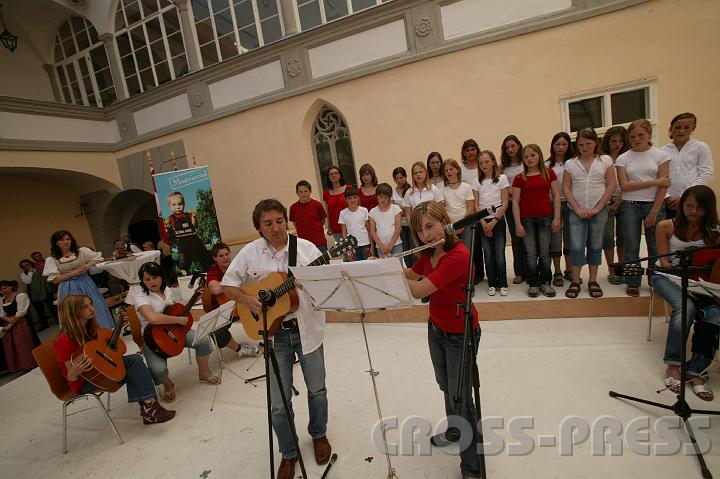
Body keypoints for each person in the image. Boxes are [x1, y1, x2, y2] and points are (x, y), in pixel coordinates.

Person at [221, 199, 332, 479]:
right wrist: (249, 300)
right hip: (273, 335)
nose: (276, 228)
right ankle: (288, 452)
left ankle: (318, 434)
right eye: (268, 223)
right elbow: (228, 284)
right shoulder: (249, 253)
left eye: (280, 221)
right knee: (279, 402)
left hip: (306, 329)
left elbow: (327, 286)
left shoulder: (306, 250)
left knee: (317, 389)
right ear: (259, 227)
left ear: (287, 221)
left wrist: (312, 285)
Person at [403, 201, 483, 479]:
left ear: (444, 222)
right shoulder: (430, 251)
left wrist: (385, 279)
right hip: (436, 328)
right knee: (446, 387)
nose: (426, 234)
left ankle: (472, 467)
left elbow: (419, 289)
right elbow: (411, 274)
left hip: (461, 334)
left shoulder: (458, 255)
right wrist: (381, 269)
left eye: (430, 226)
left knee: (461, 399)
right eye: (420, 230)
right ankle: (454, 431)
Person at [54, 294, 175, 423]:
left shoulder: (90, 329)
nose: (92, 309)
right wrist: (75, 371)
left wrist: (118, 327)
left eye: (91, 304)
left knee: (134, 360)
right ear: (73, 312)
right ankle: (150, 408)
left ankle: (149, 407)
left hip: (103, 370)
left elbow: (103, 352)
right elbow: (71, 377)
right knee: (134, 365)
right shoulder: (64, 340)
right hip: (86, 382)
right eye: (85, 307)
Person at [649, 185, 720, 401]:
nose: (693, 211)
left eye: (699, 207)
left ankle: (696, 369)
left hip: (700, 282)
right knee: (685, 307)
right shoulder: (665, 226)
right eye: (689, 206)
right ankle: (673, 364)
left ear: (708, 209)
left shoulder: (715, 232)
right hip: (667, 276)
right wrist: (685, 286)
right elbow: (664, 262)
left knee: (715, 313)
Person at [135, 262, 219, 402]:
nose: (152, 282)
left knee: (203, 339)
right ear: (142, 281)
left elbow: (174, 310)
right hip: (153, 337)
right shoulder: (140, 298)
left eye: (155, 277)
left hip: (175, 329)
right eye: (147, 279)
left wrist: (194, 299)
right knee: (158, 370)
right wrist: (178, 320)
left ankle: (204, 373)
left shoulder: (167, 290)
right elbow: (153, 318)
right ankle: (168, 385)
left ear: (161, 277)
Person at [616, 119, 671, 296]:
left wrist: (655, 210)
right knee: (631, 246)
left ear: (649, 135)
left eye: (640, 135)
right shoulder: (623, 158)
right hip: (629, 205)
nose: (636, 139)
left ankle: (656, 282)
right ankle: (632, 282)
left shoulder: (661, 155)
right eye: (632, 136)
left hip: (654, 205)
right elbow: (625, 186)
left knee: (655, 246)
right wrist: (655, 181)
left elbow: (664, 185)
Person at [562, 128, 616, 298]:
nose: (584, 147)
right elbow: (565, 187)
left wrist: (598, 207)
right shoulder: (571, 163)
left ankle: (593, 280)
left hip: (598, 211)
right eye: (580, 144)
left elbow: (611, 185)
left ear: (596, 143)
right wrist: (577, 208)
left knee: (595, 245)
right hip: (576, 211)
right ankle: (575, 280)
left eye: (588, 144)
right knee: (577, 246)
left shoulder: (605, 160)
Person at [512, 144, 561, 298]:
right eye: (526, 157)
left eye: (532, 155)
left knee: (545, 253)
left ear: (539, 155)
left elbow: (556, 196)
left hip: (546, 218)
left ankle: (545, 282)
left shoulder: (549, 173)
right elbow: (515, 202)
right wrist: (518, 224)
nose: (529, 159)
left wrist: (557, 217)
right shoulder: (519, 178)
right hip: (527, 220)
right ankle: (533, 283)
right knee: (531, 253)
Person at [43, 230, 115, 330]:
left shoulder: (82, 251)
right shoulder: (52, 259)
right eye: (62, 240)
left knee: (95, 307)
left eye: (68, 239)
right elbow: (55, 280)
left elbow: (98, 258)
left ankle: (103, 332)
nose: (66, 242)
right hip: (67, 288)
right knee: (76, 312)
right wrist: (75, 272)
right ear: (56, 243)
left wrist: (88, 265)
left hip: (85, 283)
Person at [206, 243, 260, 357]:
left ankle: (271, 338)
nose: (225, 258)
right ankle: (240, 348)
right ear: (215, 258)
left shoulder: (236, 267)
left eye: (227, 254)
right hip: (227, 311)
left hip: (244, 304)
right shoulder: (213, 272)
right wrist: (233, 283)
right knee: (215, 330)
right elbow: (215, 289)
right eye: (221, 256)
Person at [661, 112, 714, 219]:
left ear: (692, 129)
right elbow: (658, 177)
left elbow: (706, 173)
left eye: (686, 127)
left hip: (693, 202)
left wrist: (686, 197)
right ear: (671, 129)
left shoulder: (700, 147)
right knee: (669, 228)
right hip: (668, 203)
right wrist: (667, 197)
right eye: (677, 127)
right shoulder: (662, 151)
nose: (681, 131)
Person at [471, 150, 509, 296]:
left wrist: (494, 222)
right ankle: (492, 283)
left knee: (499, 253)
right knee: (488, 254)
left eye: (487, 161)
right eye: (481, 163)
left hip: (497, 220)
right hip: (483, 222)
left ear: (493, 162)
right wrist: (483, 223)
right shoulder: (476, 182)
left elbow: (505, 203)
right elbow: (476, 205)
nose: (484, 165)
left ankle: (503, 283)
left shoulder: (502, 179)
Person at [601, 126, 629, 285]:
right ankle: (612, 270)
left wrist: (619, 200)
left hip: (625, 200)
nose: (617, 144)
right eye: (613, 141)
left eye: (620, 141)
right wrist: (607, 201)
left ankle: (621, 268)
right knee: (607, 237)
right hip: (605, 201)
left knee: (623, 237)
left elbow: (631, 180)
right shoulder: (602, 159)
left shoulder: (628, 158)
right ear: (607, 141)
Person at [546, 132, 575, 287]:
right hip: (553, 205)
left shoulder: (574, 163)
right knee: (555, 239)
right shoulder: (546, 165)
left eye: (564, 144)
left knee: (570, 239)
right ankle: (556, 271)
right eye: (557, 144)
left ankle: (569, 269)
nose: (561, 147)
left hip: (571, 205)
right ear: (553, 146)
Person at [500, 135, 527, 285]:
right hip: (510, 205)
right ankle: (519, 272)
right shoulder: (502, 167)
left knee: (529, 238)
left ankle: (531, 270)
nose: (510, 149)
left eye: (512, 146)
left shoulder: (525, 163)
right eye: (507, 147)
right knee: (516, 239)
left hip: (526, 203)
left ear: (518, 146)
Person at [165, 191, 213, 273]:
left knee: (203, 255)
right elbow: (168, 229)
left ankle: (208, 268)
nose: (178, 207)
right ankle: (184, 270)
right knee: (183, 258)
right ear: (169, 207)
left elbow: (195, 225)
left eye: (180, 204)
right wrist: (167, 228)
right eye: (174, 205)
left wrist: (193, 218)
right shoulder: (170, 218)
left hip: (194, 241)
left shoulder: (188, 215)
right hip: (181, 243)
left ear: (184, 204)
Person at [459, 140, 485, 284]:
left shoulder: (482, 165)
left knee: (480, 244)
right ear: (463, 152)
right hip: (468, 211)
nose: (470, 152)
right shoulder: (461, 169)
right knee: (471, 245)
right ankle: (472, 274)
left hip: (482, 208)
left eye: (473, 149)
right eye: (467, 150)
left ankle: (480, 273)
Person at [0, 280, 38, 372]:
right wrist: (9, 320)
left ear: (11, 287)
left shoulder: (20, 296)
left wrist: (11, 324)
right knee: (10, 345)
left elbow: (21, 312)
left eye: (5, 288)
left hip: (21, 322)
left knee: (22, 343)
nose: (3, 291)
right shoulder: (1, 300)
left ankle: (30, 363)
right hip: (9, 322)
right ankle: (19, 366)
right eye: (1, 290)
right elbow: (2, 313)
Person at [442, 158, 475, 252]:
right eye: (446, 170)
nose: (448, 172)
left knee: (466, 252)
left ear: (457, 170)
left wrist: (462, 225)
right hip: (450, 227)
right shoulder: (442, 189)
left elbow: (470, 208)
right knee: (452, 253)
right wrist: (451, 227)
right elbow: (442, 210)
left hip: (466, 226)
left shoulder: (466, 187)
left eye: (451, 169)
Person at [290, 180, 328, 254]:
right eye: (301, 192)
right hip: (303, 244)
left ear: (310, 191)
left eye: (306, 191)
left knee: (323, 261)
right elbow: (295, 222)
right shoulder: (293, 208)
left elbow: (323, 220)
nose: (303, 194)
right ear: (297, 193)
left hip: (319, 242)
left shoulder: (317, 205)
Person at [19, 258, 57, 332]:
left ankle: (58, 320)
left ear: (31, 263)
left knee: (52, 307)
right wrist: (30, 272)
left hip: (46, 291)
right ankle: (44, 325)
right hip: (34, 294)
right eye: (24, 266)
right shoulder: (23, 274)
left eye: (27, 264)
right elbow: (28, 281)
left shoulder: (40, 269)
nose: (27, 266)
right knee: (39, 310)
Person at [369, 183, 403, 258]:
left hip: (396, 245)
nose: (383, 199)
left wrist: (391, 245)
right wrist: (381, 245)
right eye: (381, 196)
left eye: (386, 197)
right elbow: (373, 231)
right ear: (377, 196)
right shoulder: (372, 212)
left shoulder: (395, 209)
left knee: (398, 265)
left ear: (390, 197)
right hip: (380, 247)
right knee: (384, 266)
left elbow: (398, 228)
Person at [339, 187, 374, 261]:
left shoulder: (364, 210)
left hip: (365, 244)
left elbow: (369, 229)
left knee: (368, 265)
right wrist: (348, 249)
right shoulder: (343, 213)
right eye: (349, 198)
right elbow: (344, 233)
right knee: (355, 266)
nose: (352, 200)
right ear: (346, 200)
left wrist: (372, 246)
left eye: (354, 197)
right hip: (352, 246)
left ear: (358, 198)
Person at [392, 167, 415, 267]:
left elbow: (412, 207)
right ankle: (409, 270)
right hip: (400, 226)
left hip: (411, 224)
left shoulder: (411, 190)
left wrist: (403, 210)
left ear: (405, 177)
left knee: (414, 249)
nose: (399, 180)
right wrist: (404, 210)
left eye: (401, 177)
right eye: (396, 178)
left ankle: (416, 270)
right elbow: (393, 210)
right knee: (405, 250)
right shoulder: (392, 192)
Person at [322, 165, 351, 243]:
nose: (334, 175)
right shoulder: (326, 193)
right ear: (328, 177)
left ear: (340, 175)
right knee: (343, 250)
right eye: (331, 174)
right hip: (335, 228)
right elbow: (328, 211)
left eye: (336, 173)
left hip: (350, 226)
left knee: (354, 249)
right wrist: (329, 226)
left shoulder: (348, 188)